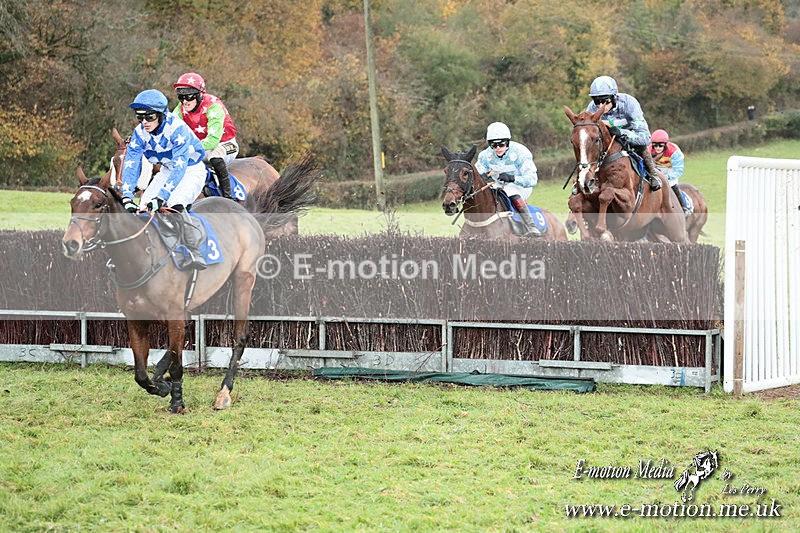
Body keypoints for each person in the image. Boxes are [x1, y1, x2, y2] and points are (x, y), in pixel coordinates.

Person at [120, 89, 209, 270]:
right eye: (140, 117)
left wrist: (161, 196)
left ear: (161, 115)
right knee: (143, 207)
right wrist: (127, 196)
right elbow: (131, 163)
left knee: (174, 203)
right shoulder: (139, 134)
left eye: (149, 116)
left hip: (191, 169)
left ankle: (194, 251)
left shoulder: (177, 129)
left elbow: (180, 166)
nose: (144, 122)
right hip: (168, 170)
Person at [586, 75, 661, 191]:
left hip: (629, 139)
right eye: (597, 101)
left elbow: (645, 138)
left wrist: (621, 132)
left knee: (642, 146)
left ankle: (653, 174)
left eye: (605, 101)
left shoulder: (629, 104)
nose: (601, 106)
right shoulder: (591, 108)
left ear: (614, 97)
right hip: (605, 143)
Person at [172, 72, 239, 200]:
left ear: (199, 94)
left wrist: (188, 147)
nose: (185, 101)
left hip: (224, 143)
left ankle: (228, 198)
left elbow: (212, 141)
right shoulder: (180, 109)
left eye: (189, 96)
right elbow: (169, 128)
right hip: (200, 145)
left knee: (214, 157)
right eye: (181, 97)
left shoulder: (214, 106)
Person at [475, 122, 541, 236]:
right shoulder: (485, 156)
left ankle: (531, 226)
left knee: (510, 190)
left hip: (520, 187)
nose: (498, 148)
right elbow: (477, 174)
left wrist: (512, 178)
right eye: (493, 145)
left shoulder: (521, 152)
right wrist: (482, 178)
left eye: (501, 144)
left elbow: (532, 179)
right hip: (497, 187)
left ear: (508, 141)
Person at [649, 128, 689, 214]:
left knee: (671, 184)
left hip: (671, 169)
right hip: (657, 168)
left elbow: (678, 171)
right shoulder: (649, 150)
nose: (657, 148)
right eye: (655, 145)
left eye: (660, 145)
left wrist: (665, 178)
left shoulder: (674, 153)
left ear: (665, 144)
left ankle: (684, 206)